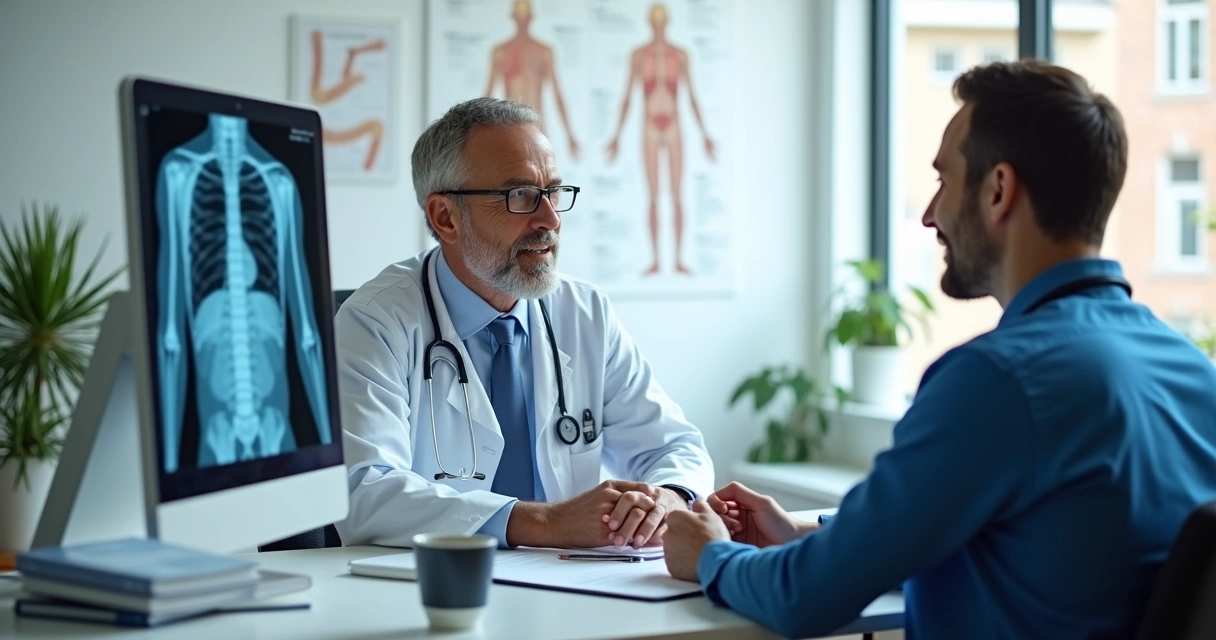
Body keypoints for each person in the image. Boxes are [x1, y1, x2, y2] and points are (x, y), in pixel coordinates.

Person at [661, 60, 1216, 639]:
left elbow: (806, 598)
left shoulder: (997, 380)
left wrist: (708, 556)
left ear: (999, 189)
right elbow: (1051, 557)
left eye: (944, 180)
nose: (930, 214)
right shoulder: (1191, 369)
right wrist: (811, 539)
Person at [332, 97, 714, 551]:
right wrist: (546, 524)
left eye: (553, 192)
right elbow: (364, 491)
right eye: (520, 196)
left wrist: (668, 499)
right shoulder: (375, 321)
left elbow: (674, 445)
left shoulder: (584, 312)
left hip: (574, 587)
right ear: (445, 217)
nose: (550, 219)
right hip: (436, 592)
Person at [605, 2, 715, 277]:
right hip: (650, 126)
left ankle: (677, 259)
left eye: (661, 20)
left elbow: (692, 96)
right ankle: (656, 259)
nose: (658, 25)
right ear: (649, 23)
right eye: (654, 20)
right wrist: (616, 135)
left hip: (675, 125)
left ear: (667, 22)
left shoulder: (680, 55)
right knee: (654, 197)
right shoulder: (639, 55)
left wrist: (705, 134)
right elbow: (627, 96)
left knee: (677, 196)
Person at [484, 0, 581, 161]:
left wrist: (569, 135)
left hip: (538, 129)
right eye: (520, 17)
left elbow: (557, 95)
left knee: (542, 180)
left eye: (525, 16)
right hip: (511, 127)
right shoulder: (501, 51)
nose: (522, 21)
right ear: (513, 17)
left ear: (531, 17)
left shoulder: (544, 52)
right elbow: (486, 98)